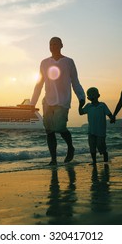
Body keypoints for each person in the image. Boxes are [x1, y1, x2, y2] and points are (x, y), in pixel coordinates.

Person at [31, 37, 86, 165]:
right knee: (49, 131)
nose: (53, 46)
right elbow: (39, 83)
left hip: (63, 100)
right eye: (51, 44)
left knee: (61, 128)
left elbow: (75, 81)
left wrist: (81, 97)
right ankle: (53, 159)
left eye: (56, 44)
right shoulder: (44, 62)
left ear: (61, 45)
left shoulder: (68, 62)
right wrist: (32, 103)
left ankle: (70, 147)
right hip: (48, 101)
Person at [79, 87, 114, 165]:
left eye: (94, 94)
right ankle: (94, 161)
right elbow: (81, 113)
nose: (92, 96)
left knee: (101, 146)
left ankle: (105, 158)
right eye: (90, 95)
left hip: (101, 131)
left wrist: (112, 118)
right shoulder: (88, 106)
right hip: (91, 130)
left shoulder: (102, 105)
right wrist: (80, 105)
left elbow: (109, 114)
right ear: (88, 98)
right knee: (92, 147)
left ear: (98, 95)